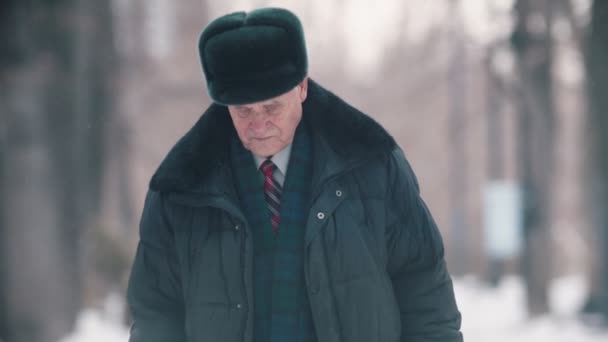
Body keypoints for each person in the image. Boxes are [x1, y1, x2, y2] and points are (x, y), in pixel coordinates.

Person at [126, 7, 463, 342]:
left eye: (272, 107)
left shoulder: (372, 165)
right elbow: (156, 313)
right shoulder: (180, 190)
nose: (258, 125)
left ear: (302, 88)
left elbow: (424, 290)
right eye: (243, 111)